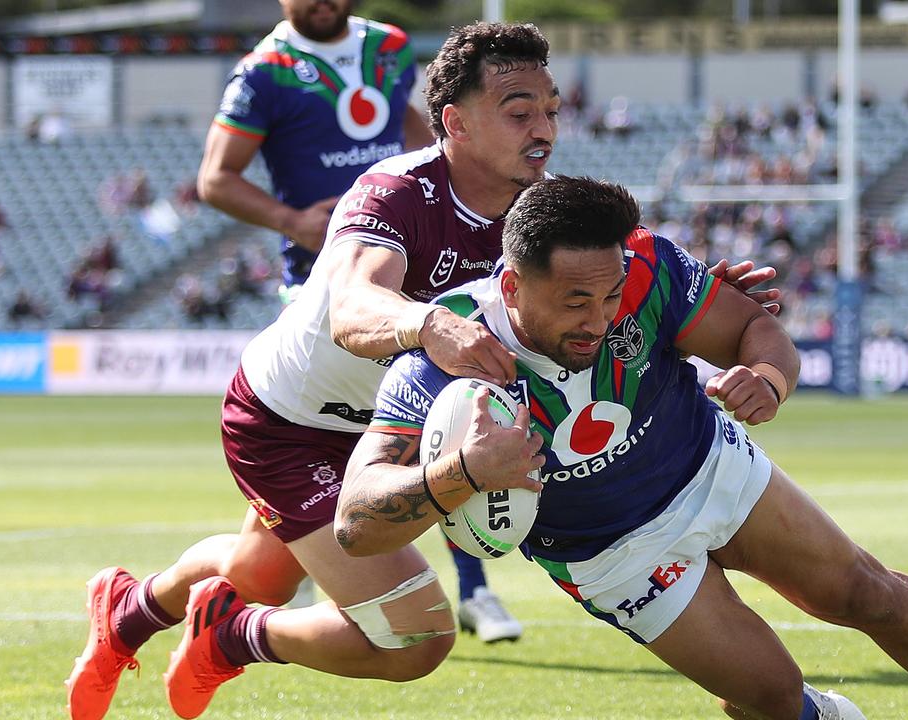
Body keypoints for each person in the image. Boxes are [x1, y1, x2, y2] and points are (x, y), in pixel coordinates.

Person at [65, 20, 777, 720]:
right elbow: (352, 305)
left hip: (399, 423)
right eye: (519, 111)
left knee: (258, 577)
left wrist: (687, 300)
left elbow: (607, 292)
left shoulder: (545, 207)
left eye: (552, 110)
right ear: (454, 123)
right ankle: (229, 634)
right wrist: (428, 322)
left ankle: (139, 615)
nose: (545, 129)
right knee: (416, 637)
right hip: (296, 424)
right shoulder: (398, 191)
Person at [336, 176, 908, 720]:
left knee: (868, 593)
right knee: (771, 696)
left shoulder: (648, 266)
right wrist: (460, 473)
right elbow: (356, 523)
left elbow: (757, 332)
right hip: (611, 554)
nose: (599, 318)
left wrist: (768, 379)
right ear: (514, 284)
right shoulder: (439, 361)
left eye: (610, 296)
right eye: (575, 302)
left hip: (710, 467)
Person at [195, 0, 516, 640]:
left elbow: (424, 138)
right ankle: (319, 575)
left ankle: (474, 590)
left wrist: (444, 201)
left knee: (440, 417)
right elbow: (214, 178)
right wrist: (291, 221)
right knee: (268, 570)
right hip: (320, 280)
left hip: (412, 262)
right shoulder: (265, 71)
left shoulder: (391, 48)